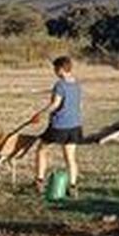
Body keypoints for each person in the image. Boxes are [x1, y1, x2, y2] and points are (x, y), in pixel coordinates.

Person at [30, 56, 84, 194]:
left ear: (61, 69)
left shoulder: (60, 85)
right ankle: (72, 186)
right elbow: (79, 105)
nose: (54, 71)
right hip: (75, 125)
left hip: (60, 125)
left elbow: (55, 104)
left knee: (41, 149)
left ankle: (39, 181)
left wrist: (40, 114)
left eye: (55, 68)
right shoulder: (77, 85)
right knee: (70, 157)